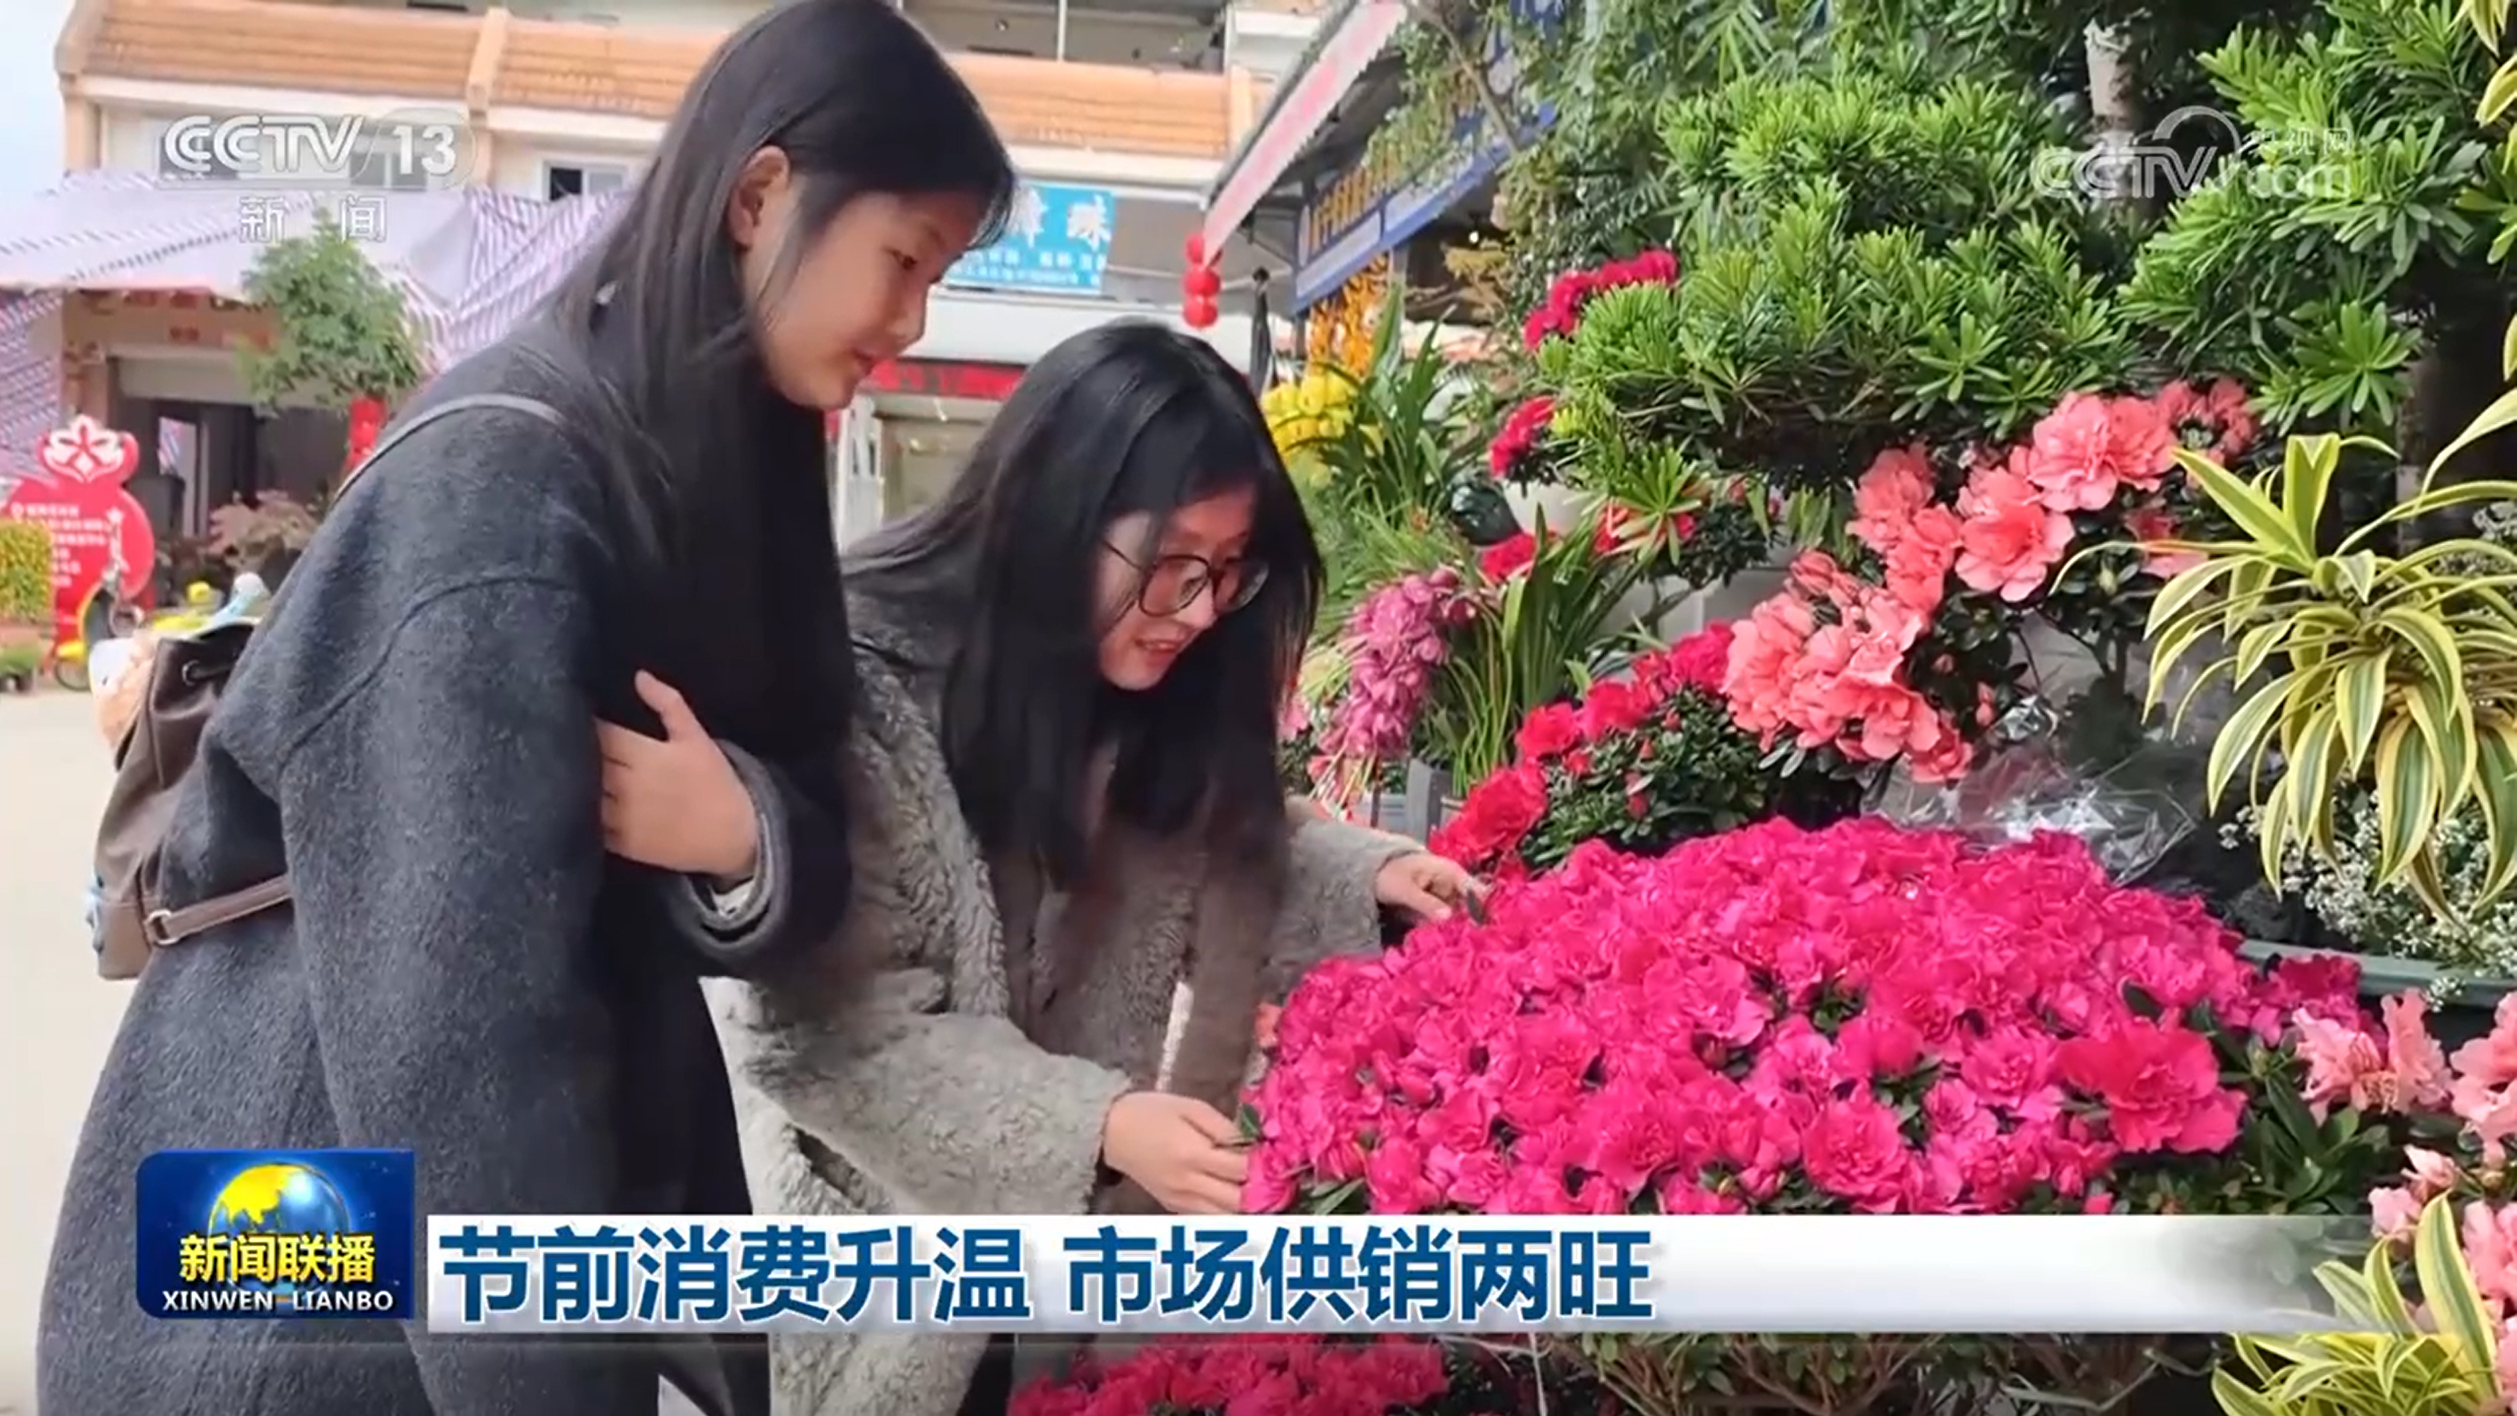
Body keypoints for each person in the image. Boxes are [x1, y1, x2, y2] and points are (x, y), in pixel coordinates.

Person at [38, 4, 1015, 1414]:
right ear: (760, 198)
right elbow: (462, 1054)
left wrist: (741, 834)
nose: (912, 322)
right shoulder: (498, 492)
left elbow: (814, 833)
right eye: (904, 260)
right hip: (300, 1266)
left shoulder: (711, 481)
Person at [597, 321, 1482, 1416]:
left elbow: (1223, 836)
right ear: (1058, 516)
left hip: (1058, 1281)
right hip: (886, 1258)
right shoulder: (858, 687)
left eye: (1227, 572)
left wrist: (1362, 881)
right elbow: (837, 1038)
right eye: (1171, 565)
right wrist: (1098, 1127)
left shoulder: (1158, 686)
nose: (1200, 610)